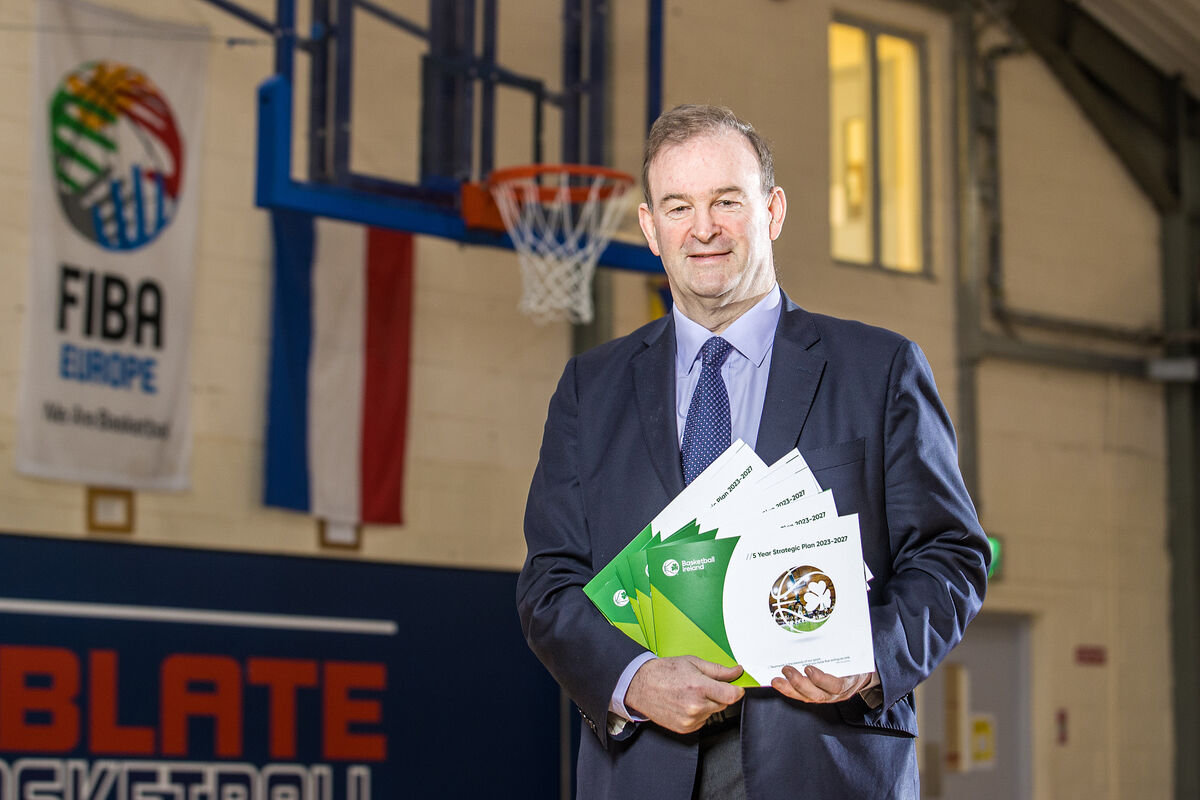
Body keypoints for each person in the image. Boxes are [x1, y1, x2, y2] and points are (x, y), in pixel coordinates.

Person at [516, 104, 989, 800]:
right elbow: (548, 583)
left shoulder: (878, 368)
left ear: (772, 210)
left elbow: (951, 556)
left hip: (827, 765)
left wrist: (872, 659)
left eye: (725, 202)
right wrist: (635, 681)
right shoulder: (591, 389)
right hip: (643, 769)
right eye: (678, 206)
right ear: (650, 228)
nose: (702, 228)